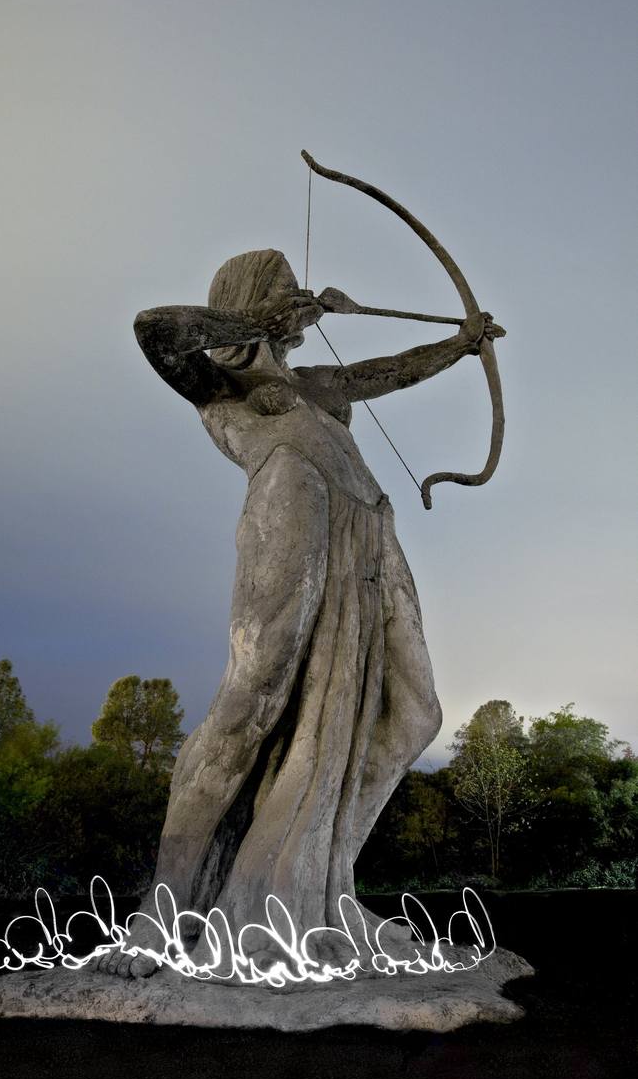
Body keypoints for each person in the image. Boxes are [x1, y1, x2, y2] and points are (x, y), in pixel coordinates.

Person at [106, 248, 503, 977]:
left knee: (415, 713)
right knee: (250, 701)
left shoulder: (316, 385)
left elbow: (386, 372)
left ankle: (308, 882)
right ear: (252, 303)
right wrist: (260, 322)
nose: (303, 299)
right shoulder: (221, 389)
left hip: (368, 526)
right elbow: (155, 330)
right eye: (286, 291)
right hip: (294, 506)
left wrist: (460, 342)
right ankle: (161, 917)